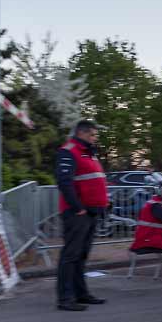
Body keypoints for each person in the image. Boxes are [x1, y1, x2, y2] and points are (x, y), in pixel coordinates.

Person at [54, 120, 109, 311]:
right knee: (71, 255)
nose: (95, 139)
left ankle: (81, 294)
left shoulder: (89, 153)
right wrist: (78, 208)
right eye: (93, 135)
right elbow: (64, 182)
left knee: (81, 255)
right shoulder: (69, 151)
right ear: (83, 133)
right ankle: (65, 298)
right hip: (77, 212)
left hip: (91, 211)